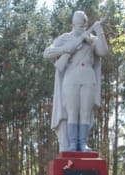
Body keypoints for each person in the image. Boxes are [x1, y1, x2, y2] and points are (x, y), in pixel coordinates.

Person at [43, 10, 108, 152]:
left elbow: (103, 51)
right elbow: (47, 53)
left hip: (88, 76)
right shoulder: (65, 38)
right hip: (71, 75)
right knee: (72, 112)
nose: (82, 28)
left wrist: (99, 30)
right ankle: (72, 144)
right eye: (79, 25)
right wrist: (67, 48)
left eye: (84, 25)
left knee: (85, 112)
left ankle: (82, 144)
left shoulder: (91, 39)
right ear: (73, 24)